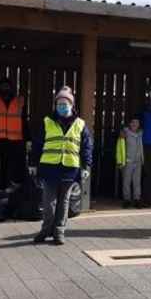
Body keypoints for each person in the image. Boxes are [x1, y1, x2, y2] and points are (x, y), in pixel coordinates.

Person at [29, 86, 93, 244]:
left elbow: (87, 147)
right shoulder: (47, 122)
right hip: (49, 168)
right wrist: (33, 163)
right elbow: (37, 144)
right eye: (59, 104)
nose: (62, 107)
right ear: (55, 105)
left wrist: (86, 166)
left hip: (70, 170)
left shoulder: (80, 124)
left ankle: (59, 232)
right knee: (48, 202)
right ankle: (46, 230)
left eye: (65, 103)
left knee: (64, 203)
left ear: (72, 105)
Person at [0, 78, 31, 188]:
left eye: (7, 87)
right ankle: (2, 193)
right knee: (2, 170)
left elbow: (24, 122)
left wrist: (28, 140)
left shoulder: (19, 102)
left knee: (17, 170)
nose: (5, 89)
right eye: (3, 87)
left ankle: (17, 194)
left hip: (17, 142)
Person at [116, 116, 144, 208]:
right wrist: (120, 161)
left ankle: (137, 199)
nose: (135, 124)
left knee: (137, 181)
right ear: (130, 124)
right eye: (133, 122)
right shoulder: (125, 134)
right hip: (127, 161)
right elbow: (119, 148)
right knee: (126, 181)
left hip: (138, 161)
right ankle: (126, 199)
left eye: (137, 122)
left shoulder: (141, 134)